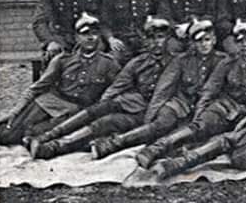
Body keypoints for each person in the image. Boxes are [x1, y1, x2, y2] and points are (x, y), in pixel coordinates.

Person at [135, 19, 246, 169]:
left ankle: (180, 162)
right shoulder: (227, 63)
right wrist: (199, 117)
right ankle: (156, 148)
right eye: (240, 41)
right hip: (224, 108)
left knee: (229, 140)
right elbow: (209, 91)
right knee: (198, 128)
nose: (244, 45)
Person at [27, 17, 173, 159]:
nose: (156, 42)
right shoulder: (137, 63)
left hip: (156, 115)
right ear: (145, 41)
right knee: (99, 110)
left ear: (168, 39)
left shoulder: (176, 62)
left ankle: (55, 147)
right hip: (136, 107)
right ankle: (47, 137)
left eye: (160, 37)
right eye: (151, 38)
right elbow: (117, 86)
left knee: (107, 122)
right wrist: (102, 106)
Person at [89, 18, 227, 159]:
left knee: (193, 133)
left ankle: (153, 152)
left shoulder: (223, 61)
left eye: (207, 40)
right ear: (192, 43)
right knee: (161, 124)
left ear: (214, 40)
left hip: (206, 108)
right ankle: (113, 144)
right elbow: (163, 90)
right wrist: (149, 119)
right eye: (199, 41)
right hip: (179, 105)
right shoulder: (181, 60)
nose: (203, 44)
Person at [0, 14, 120, 146]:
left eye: (94, 34)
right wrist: (16, 111)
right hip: (50, 104)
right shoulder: (62, 60)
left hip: (76, 112)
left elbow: (117, 90)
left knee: (41, 134)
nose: (90, 38)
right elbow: (36, 88)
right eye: (85, 34)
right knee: (7, 135)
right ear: (77, 37)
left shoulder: (109, 63)